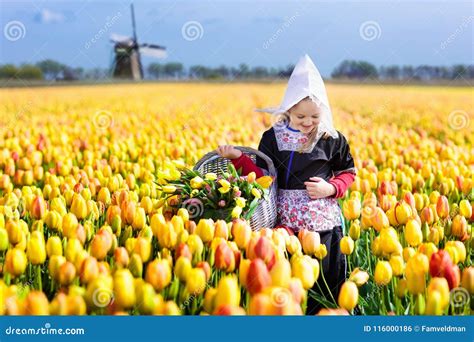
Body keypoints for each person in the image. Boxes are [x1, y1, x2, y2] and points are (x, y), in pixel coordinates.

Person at [216, 54, 356, 314]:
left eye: (314, 116)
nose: (307, 122)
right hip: (287, 227)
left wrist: (331, 188)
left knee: (326, 288)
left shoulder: (332, 139)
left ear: (323, 111)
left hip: (325, 228)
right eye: (300, 116)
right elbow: (261, 176)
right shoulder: (273, 138)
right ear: (288, 110)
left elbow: (348, 173)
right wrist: (238, 158)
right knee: (290, 287)